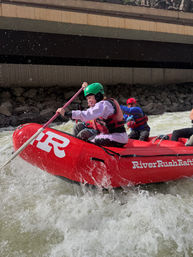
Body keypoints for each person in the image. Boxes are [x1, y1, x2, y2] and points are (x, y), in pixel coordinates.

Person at [57, 82, 128, 147]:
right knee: (78, 127)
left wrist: (66, 114)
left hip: (116, 137)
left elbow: (87, 114)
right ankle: (73, 147)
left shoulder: (105, 104)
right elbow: (92, 114)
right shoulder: (99, 106)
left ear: (97, 96)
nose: (88, 101)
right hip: (104, 133)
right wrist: (86, 89)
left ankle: (78, 150)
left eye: (90, 98)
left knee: (88, 139)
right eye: (87, 99)